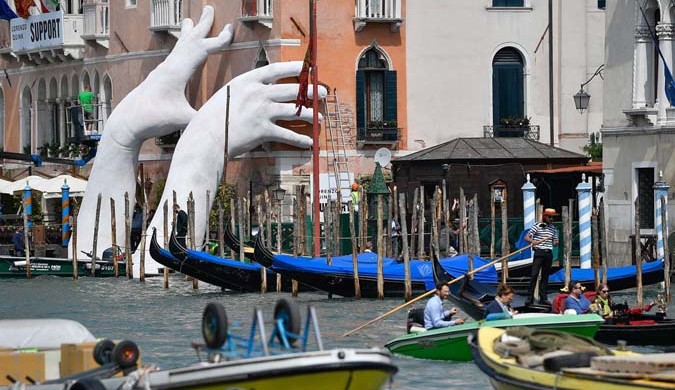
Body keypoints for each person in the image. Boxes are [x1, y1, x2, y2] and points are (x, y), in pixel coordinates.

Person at [524, 207, 560, 306]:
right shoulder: (537, 225)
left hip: (548, 253)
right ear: (545, 217)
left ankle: (543, 298)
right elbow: (527, 237)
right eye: (550, 217)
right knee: (534, 275)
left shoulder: (553, 228)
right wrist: (533, 241)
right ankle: (529, 298)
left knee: (545, 276)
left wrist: (556, 242)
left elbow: (555, 241)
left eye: (553, 217)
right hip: (539, 252)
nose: (552, 219)